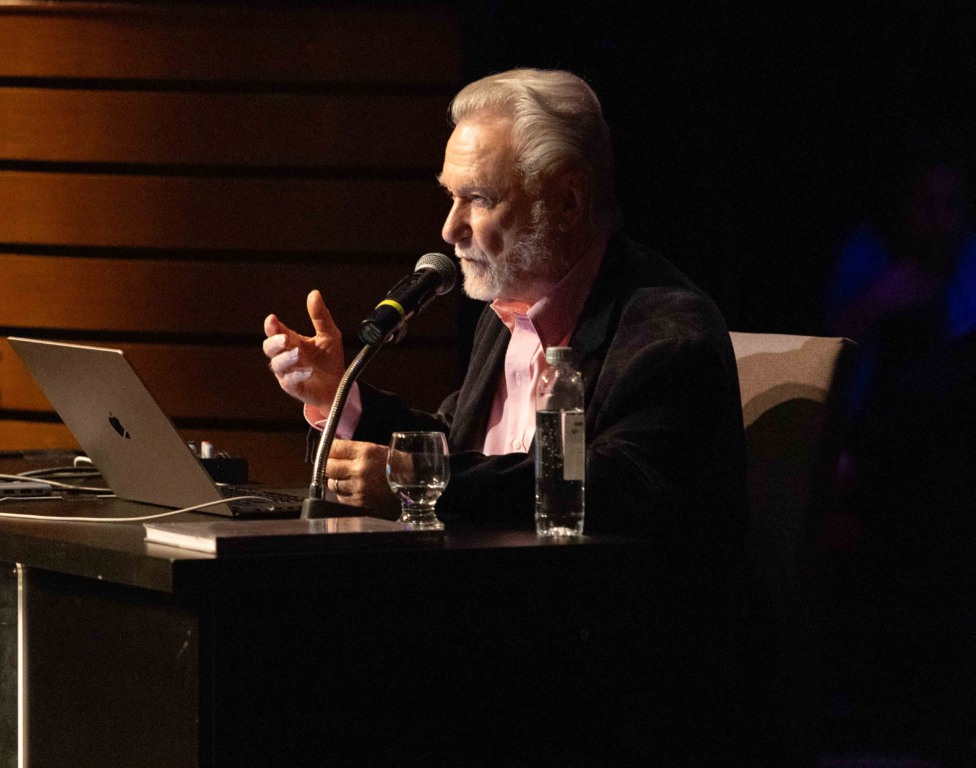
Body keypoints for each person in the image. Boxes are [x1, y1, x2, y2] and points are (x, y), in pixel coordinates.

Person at [262, 68, 747, 548]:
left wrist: (423, 480)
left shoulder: (668, 335)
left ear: (568, 201)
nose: (449, 229)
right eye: (451, 196)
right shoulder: (509, 312)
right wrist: (341, 395)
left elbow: (611, 487)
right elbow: (462, 450)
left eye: (478, 198)